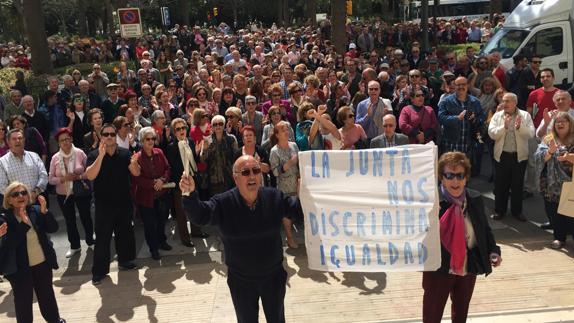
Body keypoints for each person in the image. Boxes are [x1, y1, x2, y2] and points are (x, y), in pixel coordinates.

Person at [180, 155, 302, 323]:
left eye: (256, 170)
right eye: (245, 172)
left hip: (273, 277)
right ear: (235, 177)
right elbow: (201, 215)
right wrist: (189, 194)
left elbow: (299, 212)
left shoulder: (275, 197)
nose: (252, 176)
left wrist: (304, 197)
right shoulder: (224, 203)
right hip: (241, 281)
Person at [422, 152, 502, 323]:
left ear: (466, 178)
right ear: (441, 178)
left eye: (460, 175)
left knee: (461, 315)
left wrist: (494, 251)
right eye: (449, 175)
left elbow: (484, 230)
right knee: (432, 316)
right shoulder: (431, 202)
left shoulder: (475, 198)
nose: (455, 181)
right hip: (439, 270)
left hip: (467, 266)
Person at [0, 182, 66, 323]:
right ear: (9, 200)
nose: (21, 196)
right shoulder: (5, 219)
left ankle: (54, 320)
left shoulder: (35, 210)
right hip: (19, 269)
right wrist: (23, 224)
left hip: (41, 263)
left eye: (24, 192)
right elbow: (10, 243)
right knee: (23, 301)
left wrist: (44, 211)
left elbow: (53, 228)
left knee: (47, 296)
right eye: (15, 194)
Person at [85, 124, 137, 285]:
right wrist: (101, 156)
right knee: (102, 239)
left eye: (112, 134)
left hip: (123, 202)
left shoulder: (125, 153)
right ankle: (99, 272)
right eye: (105, 134)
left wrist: (134, 163)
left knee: (125, 234)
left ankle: (125, 261)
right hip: (103, 205)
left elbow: (136, 173)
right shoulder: (93, 155)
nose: (109, 137)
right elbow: (90, 175)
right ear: (101, 137)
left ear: (116, 136)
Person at [488, 93, 535, 222]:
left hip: (519, 157)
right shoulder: (498, 116)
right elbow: (492, 134)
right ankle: (499, 211)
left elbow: (531, 133)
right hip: (502, 156)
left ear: (515, 102)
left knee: (517, 186)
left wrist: (520, 127)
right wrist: (504, 127)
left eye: (508, 101)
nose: (505, 104)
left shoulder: (525, 115)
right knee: (500, 186)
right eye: (503, 101)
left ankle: (517, 211)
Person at [48, 128, 94, 258]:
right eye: (62, 140)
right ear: (58, 143)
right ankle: (74, 246)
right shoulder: (55, 158)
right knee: (70, 220)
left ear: (71, 139)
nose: (65, 142)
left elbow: (89, 172)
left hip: (81, 192)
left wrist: (77, 177)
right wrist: (63, 179)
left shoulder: (80, 153)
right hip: (63, 194)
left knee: (86, 217)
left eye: (67, 139)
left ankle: (90, 240)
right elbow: (50, 179)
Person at [165, 118, 209, 247]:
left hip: (193, 181)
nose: (181, 131)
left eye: (183, 128)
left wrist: (198, 152)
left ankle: (196, 231)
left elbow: (194, 161)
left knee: (195, 207)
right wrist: (185, 178)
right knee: (181, 212)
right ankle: (185, 238)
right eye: (178, 129)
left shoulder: (189, 141)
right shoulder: (171, 146)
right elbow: (175, 165)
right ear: (174, 132)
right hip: (181, 183)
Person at [129, 127, 172, 260]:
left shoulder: (159, 152)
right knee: (150, 225)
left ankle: (162, 241)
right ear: (142, 141)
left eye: (153, 138)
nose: (151, 141)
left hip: (162, 195)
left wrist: (162, 180)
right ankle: (153, 248)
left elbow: (167, 168)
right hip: (146, 198)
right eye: (148, 139)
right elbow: (136, 178)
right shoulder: (137, 157)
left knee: (162, 221)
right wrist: (154, 183)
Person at [535, 111, 574, 249]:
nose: (560, 124)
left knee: (572, 212)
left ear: (570, 124)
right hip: (551, 184)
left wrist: (570, 158)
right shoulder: (548, 139)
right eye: (558, 122)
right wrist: (550, 152)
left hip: (571, 183)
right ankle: (559, 237)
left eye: (564, 121)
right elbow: (538, 158)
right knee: (554, 211)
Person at [269, 121, 299, 248]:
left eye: (287, 129)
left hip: (297, 184)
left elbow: (300, 164)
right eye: (283, 130)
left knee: (296, 212)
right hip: (284, 187)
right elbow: (275, 172)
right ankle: (289, 238)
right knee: (287, 214)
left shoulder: (294, 145)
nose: (287, 132)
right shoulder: (274, 151)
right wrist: (288, 164)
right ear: (277, 134)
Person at [0, 129, 48, 204]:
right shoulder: (2, 162)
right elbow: (2, 186)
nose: (18, 141)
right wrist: (18, 197)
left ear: (24, 140)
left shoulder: (34, 156)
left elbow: (44, 175)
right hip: (16, 205)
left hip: (37, 200)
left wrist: (35, 192)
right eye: (14, 139)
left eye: (20, 138)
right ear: (8, 142)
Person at [204, 115, 238, 196]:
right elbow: (203, 160)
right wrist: (204, 150)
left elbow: (236, 157)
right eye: (215, 124)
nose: (218, 126)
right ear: (212, 127)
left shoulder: (231, 139)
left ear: (224, 125)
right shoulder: (207, 140)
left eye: (220, 124)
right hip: (214, 179)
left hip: (229, 178)